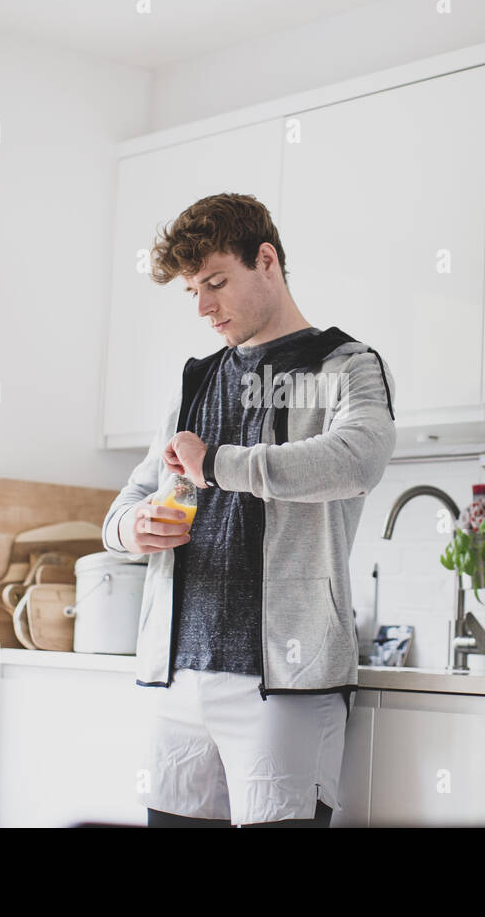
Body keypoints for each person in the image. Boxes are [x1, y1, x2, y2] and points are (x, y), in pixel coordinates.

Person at [101, 193, 396, 827]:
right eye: (192, 291)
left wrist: (218, 465)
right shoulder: (196, 381)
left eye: (216, 282)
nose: (204, 306)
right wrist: (135, 526)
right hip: (178, 679)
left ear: (266, 260)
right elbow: (125, 504)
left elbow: (356, 459)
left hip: (285, 686)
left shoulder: (348, 365)